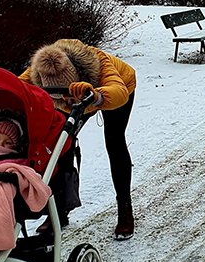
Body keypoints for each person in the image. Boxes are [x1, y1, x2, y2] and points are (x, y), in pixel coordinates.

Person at [19, 38, 137, 240]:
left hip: (116, 89)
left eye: (66, 95)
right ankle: (59, 211)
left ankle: (125, 208)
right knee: (61, 146)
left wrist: (96, 96)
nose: (65, 101)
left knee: (114, 141)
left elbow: (118, 92)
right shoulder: (40, 70)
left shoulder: (97, 61)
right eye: (60, 97)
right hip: (79, 98)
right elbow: (16, 87)